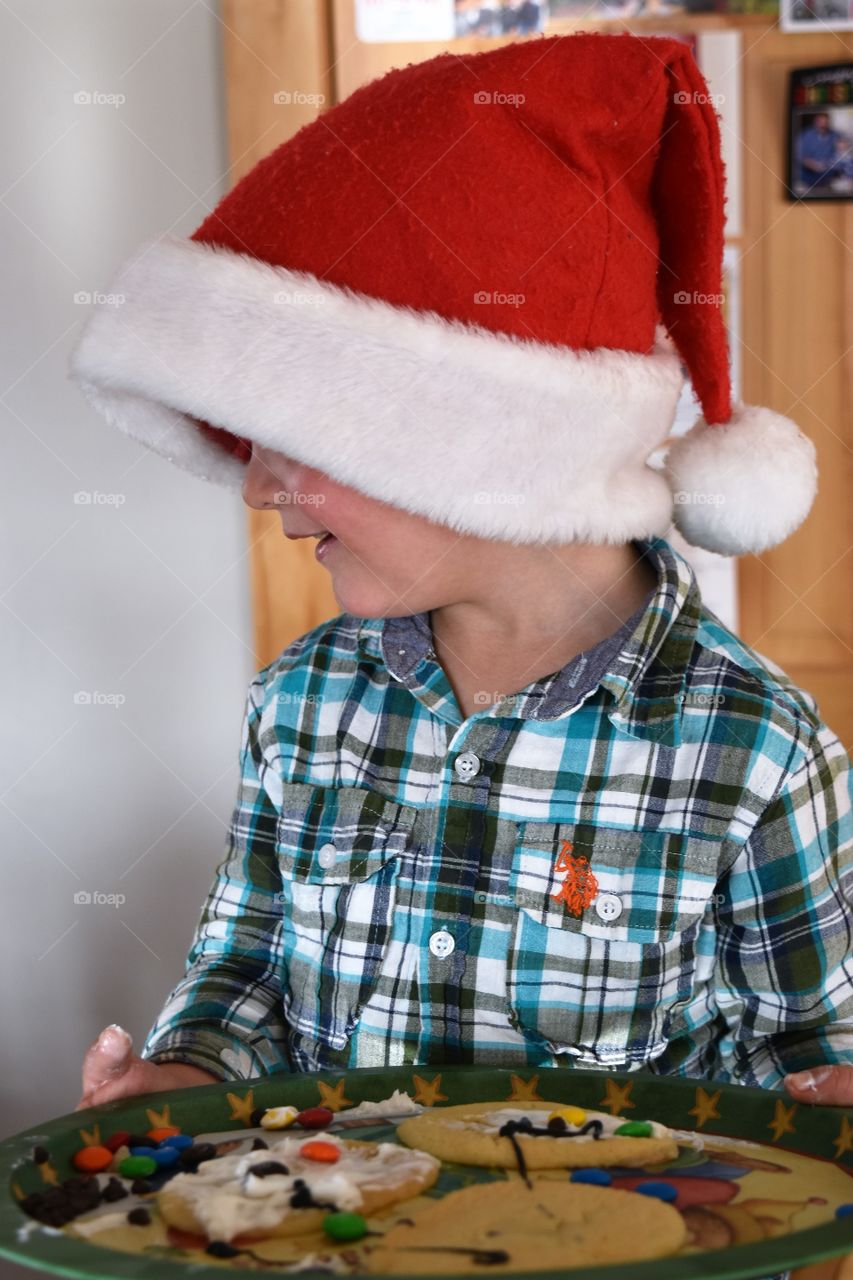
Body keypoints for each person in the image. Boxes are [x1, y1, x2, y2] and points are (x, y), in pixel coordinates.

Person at [68, 32, 853, 1114]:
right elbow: (245, 963)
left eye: (294, 445)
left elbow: (801, 1049)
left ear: (484, 452)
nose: (258, 490)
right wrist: (188, 1067)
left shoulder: (756, 749)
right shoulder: (302, 699)